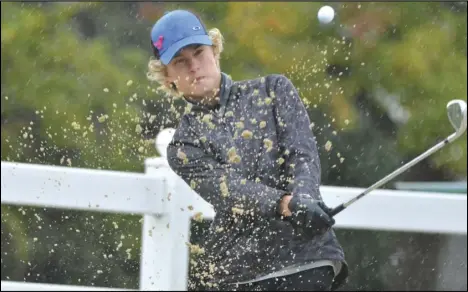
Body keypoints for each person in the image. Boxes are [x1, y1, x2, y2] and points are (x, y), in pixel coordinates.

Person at [147, 9, 348, 291]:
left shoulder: (274, 90)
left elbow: (302, 155)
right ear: (167, 76)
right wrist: (286, 204)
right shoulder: (182, 146)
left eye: (199, 52)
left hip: (308, 259)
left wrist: (305, 198)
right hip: (238, 274)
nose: (194, 66)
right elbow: (231, 190)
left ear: (214, 51)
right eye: (180, 62)